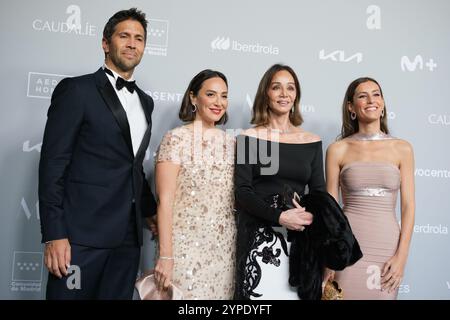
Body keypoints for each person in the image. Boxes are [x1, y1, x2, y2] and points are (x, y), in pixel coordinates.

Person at [38, 8, 157, 299]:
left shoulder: (146, 102)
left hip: (127, 240)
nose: (132, 43)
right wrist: (54, 233)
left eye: (139, 38)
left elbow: (133, 166)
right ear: (106, 43)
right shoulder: (77, 91)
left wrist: (150, 211)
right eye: (124, 36)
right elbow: (52, 165)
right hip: (80, 237)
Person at [234, 64, 326, 299]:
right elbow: (243, 192)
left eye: (290, 88)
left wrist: (308, 217)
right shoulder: (249, 138)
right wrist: (280, 217)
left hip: (300, 245)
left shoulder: (312, 141)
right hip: (259, 243)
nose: (284, 94)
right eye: (277, 87)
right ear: (266, 93)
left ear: (296, 96)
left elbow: (319, 194)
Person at [325, 77, 415, 299]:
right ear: (351, 106)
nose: (371, 100)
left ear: (383, 103)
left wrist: (401, 256)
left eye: (376, 94)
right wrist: (328, 258)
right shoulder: (338, 149)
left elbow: (408, 206)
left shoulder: (402, 148)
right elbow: (330, 210)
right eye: (362, 96)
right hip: (347, 246)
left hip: (386, 247)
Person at [153, 69, 236, 299]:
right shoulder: (175, 139)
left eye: (224, 96)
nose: (219, 102)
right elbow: (165, 200)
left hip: (224, 252)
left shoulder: (233, 144)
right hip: (184, 251)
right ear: (193, 97)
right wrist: (166, 255)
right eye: (211, 94)